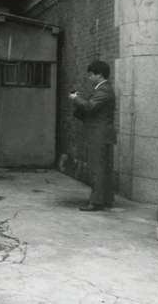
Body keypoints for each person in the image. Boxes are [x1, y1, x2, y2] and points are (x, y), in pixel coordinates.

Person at [70, 60, 116, 212]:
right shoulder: (105, 89)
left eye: (91, 74)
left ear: (99, 74)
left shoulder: (103, 90)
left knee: (97, 169)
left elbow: (89, 107)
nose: (89, 77)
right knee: (105, 169)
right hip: (103, 134)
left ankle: (96, 202)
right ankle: (106, 198)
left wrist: (74, 99)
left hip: (98, 135)